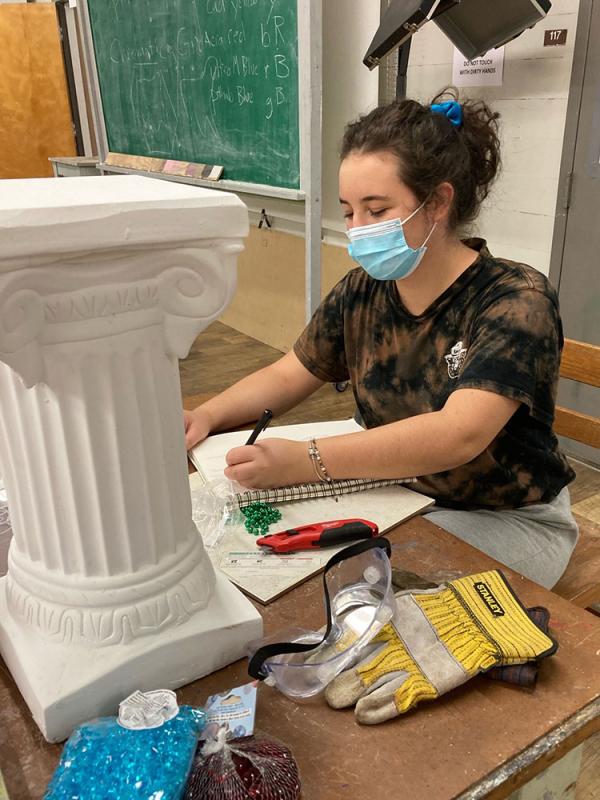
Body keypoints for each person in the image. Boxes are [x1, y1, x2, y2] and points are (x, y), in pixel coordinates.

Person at [184, 88, 578, 589]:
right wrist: (208, 415)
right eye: (349, 212)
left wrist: (307, 462)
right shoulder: (362, 291)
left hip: (507, 518)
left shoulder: (515, 300)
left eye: (376, 209)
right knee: (258, 557)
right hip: (396, 491)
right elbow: (290, 372)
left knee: (347, 586)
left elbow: (459, 433)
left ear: (436, 202)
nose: (358, 229)